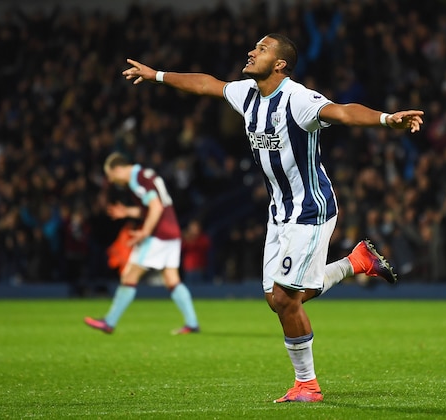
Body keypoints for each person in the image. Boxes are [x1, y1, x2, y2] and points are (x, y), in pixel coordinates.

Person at [122, 33, 423, 402]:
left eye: (261, 49)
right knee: (276, 296)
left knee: (284, 296)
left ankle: (307, 385)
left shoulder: (297, 99)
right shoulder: (248, 93)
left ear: (280, 64)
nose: (251, 52)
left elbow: (342, 112)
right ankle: (355, 262)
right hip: (279, 211)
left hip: (310, 209)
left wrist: (386, 119)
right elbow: (206, 85)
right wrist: (156, 76)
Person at [84, 152, 200, 335]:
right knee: (171, 278)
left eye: (111, 175)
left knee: (129, 275)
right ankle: (192, 323)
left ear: (119, 169)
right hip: (172, 231)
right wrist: (128, 212)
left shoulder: (136, 180)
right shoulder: (146, 175)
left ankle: (109, 322)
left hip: (158, 233)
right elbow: (151, 206)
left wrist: (145, 232)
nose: (112, 180)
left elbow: (155, 207)